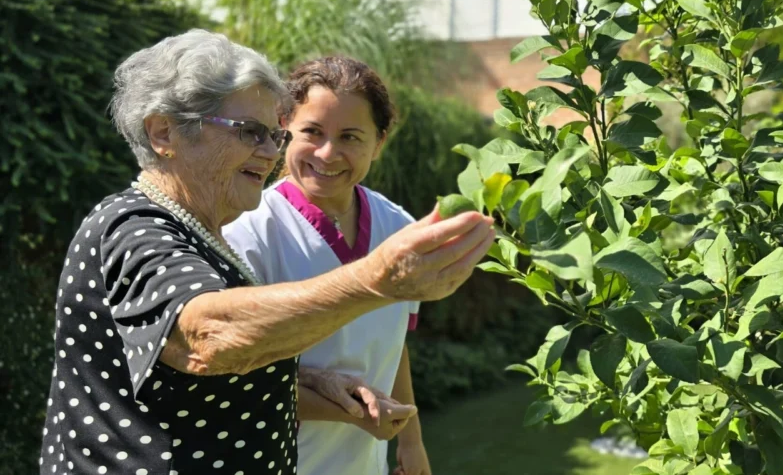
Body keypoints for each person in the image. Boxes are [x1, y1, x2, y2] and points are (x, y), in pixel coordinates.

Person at [38, 30, 494, 475]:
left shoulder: (201, 232)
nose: (270, 152)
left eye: (273, 135)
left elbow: (223, 369)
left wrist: (317, 382)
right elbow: (207, 337)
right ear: (164, 133)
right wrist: (372, 279)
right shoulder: (133, 226)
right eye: (250, 132)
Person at [223, 56, 433, 475]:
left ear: (380, 141)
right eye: (312, 132)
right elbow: (231, 376)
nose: (327, 152)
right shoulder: (249, 230)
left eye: (350, 136)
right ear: (284, 129)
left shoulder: (399, 228)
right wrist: (353, 412)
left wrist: (412, 442)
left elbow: (392, 346)